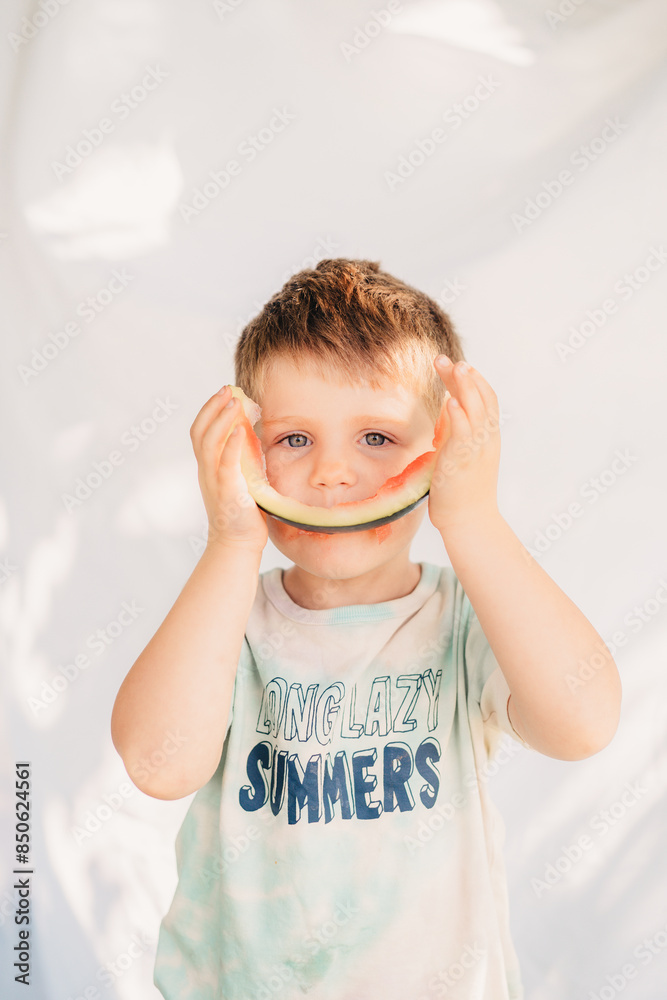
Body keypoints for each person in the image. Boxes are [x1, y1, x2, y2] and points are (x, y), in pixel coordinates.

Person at [110, 258, 622, 999]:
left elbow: (583, 723)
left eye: (376, 438)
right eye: (293, 440)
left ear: (441, 450)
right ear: (246, 452)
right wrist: (230, 541)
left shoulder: (466, 615)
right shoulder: (227, 619)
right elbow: (158, 766)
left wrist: (471, 518)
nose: (331, 474)